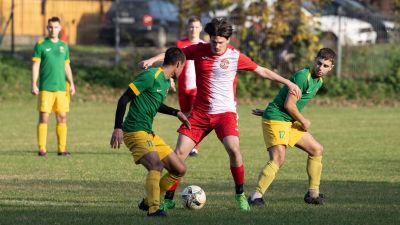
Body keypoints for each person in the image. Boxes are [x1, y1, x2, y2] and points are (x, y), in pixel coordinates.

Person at [140, 17, 302, 211]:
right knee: (179, 154)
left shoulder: (235, 56)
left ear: (228, 40)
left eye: (220, 42)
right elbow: (172, 55)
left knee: (234, 149)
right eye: (213, 41)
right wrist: (152, 59)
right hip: (199, 114)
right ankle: (168, 198)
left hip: (225, 114)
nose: (216, 45)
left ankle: (240, 194)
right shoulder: (199, 50)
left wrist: (288, 82)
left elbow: (262, 71)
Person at [248, 48, 336, 206]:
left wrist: (270, 110)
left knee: (316, 149)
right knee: (278, 158)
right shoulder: (303, 76)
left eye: (325, 66)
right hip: (278, 118)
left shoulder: (319, 81)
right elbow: (289, 105)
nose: (320, 68)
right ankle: (255, 197)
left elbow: (288, 102)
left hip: (286, 120)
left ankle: (313, 195)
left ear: (331, 68)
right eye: (319, 63)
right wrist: (303, 121)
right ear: (314, 60)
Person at [110, 47, 190, 217]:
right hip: (133, 131)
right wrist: (118, 127)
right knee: (156, 165)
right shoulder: (150, 76)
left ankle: (147, 201)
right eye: (183, 67)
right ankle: (154, 209)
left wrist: (176, 113)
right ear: (177, 64)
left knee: (179, 169)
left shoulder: (166, 81)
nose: (183, 71)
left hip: (148, 132)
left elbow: (154, 102)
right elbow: (124, 99)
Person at [31, 16, 76, 157]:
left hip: (62, 89)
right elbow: (36, 65)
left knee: (62, 118)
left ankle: (61, 149)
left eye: (56, 27)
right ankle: (42, 148)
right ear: (47, 28)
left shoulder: (64, 46)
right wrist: (34, 83)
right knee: (44, 118)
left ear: (60, 28)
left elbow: (66, 65)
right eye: (50, 27)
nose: (53, 29)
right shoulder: (41, 45)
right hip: (46, 88)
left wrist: (72, 83)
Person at [176, 16, 205, 157]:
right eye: (191, 27)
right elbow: (174, 64)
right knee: (185, 116)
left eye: (196, 27)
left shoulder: (204, 45)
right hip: (182, 88)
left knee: (194, 117)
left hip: (197, 88)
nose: (193, 30)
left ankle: (194, 147)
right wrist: (170, 79)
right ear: (188, 28)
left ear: (201, 28)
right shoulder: (180, 44)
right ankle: (187, 146)